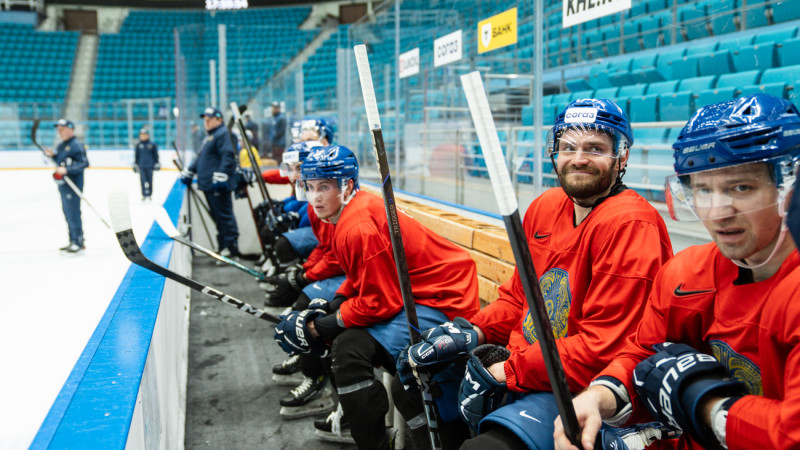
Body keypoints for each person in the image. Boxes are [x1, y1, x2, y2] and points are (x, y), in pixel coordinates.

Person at [394, 98, 674, 450]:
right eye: (567, 147)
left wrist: (509, 371)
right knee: (420, 383)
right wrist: (475, 330)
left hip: (582, 385)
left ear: (623, 156)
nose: (579, 158)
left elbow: (604, 347)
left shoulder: (633, 225)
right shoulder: (545, 206)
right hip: (528, 361)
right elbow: (518, 298)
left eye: (595, 148)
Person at [553, 93, 800, 450]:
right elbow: (643, 357)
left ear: (788, 186)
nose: (717, 211)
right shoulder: (686, 274)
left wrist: (707, 403)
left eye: (741, 187)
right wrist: (599, 396)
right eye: (702, 189)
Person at [273, 145, 481, 449]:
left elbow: (380, 303)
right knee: (347, 346)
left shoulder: (357, 226)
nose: (315, 196)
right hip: (417, 294)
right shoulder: (346, 214)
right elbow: (361, 279)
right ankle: (364, 429)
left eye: (325, 186)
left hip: (443, 299)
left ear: (348, 185)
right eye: (310, 186)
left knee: (350, 350)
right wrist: (333, 304)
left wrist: (322, 326)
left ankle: (370, 439)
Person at [181, 107, 239, 257]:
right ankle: (223, 247)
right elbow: (201, 157)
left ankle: (231, 248)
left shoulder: (223, 133)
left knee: (224, 217)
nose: (206, 122)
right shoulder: (210, 136)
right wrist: (190, 170)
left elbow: (228, 155)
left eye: (209, 119)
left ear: (219, 119)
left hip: (217, 185)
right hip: (209, 185)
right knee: (218, 218)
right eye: (205, 120)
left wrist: (222, 174)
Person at [45, 118, 89, 253]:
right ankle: (72, 240)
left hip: (73, 185)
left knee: (73, 212)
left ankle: (78, 240)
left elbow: (84, 163)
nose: (60, 131)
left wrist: (67, 170)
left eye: (62, 128)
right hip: (64, 185)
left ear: (70, 129)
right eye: (58, 129)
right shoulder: (61, 145)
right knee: (67, 213)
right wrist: (53, 156)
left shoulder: (75, 145)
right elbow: (60, 162)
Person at [133, 128, 160, 201]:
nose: (143, 136)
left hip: (150, 166)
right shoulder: (138, 145)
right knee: (142, 181)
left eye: (144, 135)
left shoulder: (152, 144)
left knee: (150, 181)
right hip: (141, 166)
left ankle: (150, 194)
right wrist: (135, 164)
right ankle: (144, 194)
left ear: (147, 135)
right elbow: (137, 156)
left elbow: (155, 155)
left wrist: (157, 163)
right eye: (141, 135)